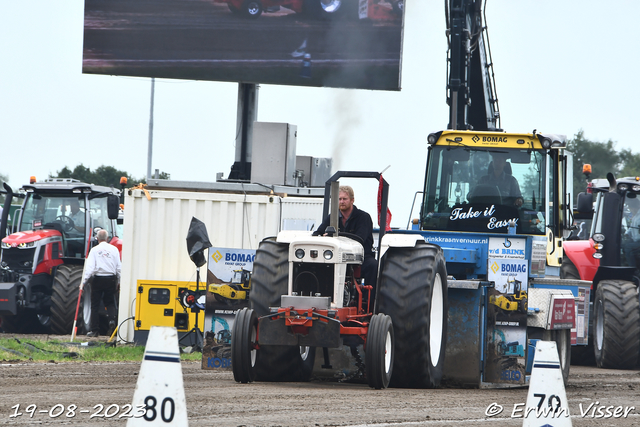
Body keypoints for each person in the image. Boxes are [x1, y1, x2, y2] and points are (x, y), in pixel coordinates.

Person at [313, 186, 378, 289]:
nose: (342, 202)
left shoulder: (363, 217)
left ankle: (368, 301)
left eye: (345, 199)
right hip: (335, 256)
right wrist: (321, 237)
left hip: (360, 257)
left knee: (373, 266)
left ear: (352, 200)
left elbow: (359, 238)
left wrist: (332, 236)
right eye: (339, 199)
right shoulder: (332, 217)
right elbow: (317, 233)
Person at [82, 229, 121, 337]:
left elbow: (89, 268)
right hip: (111, 279)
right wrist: (119, 281)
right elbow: (119, 268)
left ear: (97, 238)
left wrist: (83, 282)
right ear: (107, 238)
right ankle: (112, 321)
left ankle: (95, 330)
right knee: (110, 303)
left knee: (95, 305)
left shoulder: (94, 250)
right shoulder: (114, 250)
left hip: (98, 279)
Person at [623, 197, 640, 268]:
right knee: (622, 244)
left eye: (630, 208)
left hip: (639, 241)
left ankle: (632, 268)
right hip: (635, 240)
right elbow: (631, 227)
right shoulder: (635, 216)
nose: (630, 210)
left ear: (634, 207)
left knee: (628, 248)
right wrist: (626, 233)